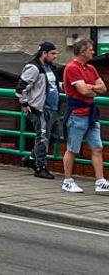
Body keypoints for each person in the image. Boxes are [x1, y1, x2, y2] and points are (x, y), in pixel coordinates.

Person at [60, 38, 108, 193]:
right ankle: (67, 180)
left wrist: (91, 87)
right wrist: (93, 89)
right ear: (82, 51)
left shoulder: (91, 68)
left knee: (97, 147)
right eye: (91, 49)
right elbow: (83, 91)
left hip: (91, 114)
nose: (93, 52)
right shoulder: (72, 68)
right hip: (77, 114)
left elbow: (103, 88)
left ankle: (100, 181)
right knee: (73, 149)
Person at [17, 41, 61, 179]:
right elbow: (21, 87)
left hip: (52, 108)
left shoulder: (51, 68)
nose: (55, 56)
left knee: (55, 135)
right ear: (44, 53)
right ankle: (40, 167)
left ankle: (31, 158)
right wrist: (24, 103)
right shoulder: (34, 68)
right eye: (53, 53)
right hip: (39, 108)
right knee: (42, 138)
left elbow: (53, 85)